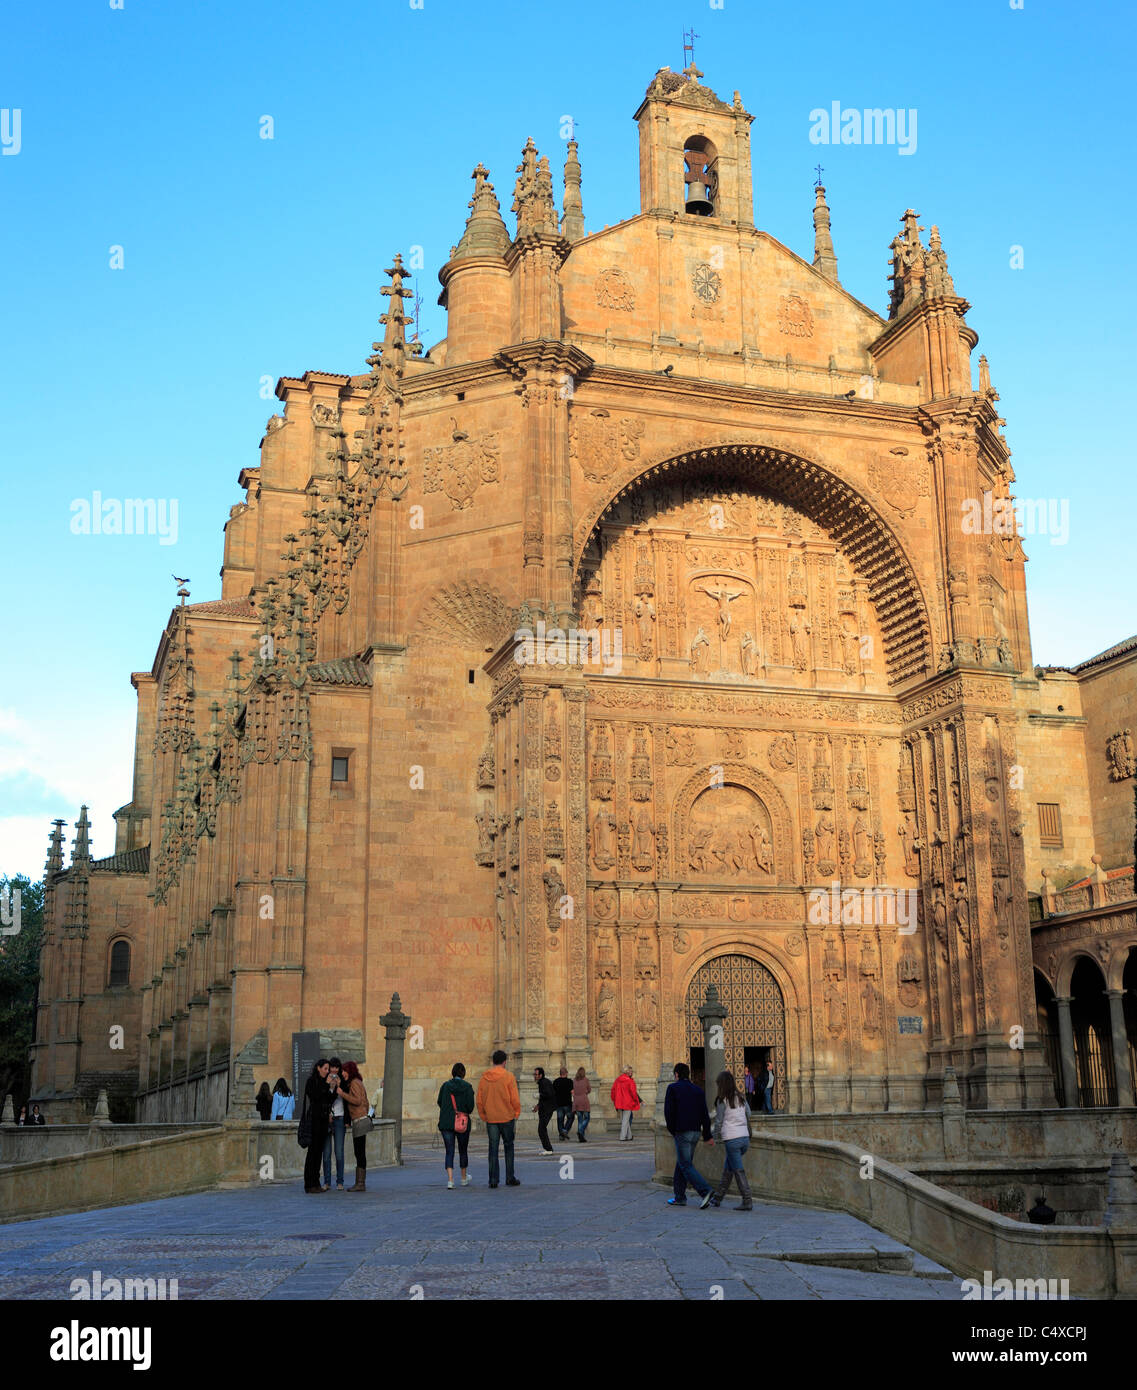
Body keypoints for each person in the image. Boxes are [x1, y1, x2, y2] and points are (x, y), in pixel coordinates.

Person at [663, 1062, 713, 1208]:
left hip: (682, 1131)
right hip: (696, 1132)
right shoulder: (698, 1090)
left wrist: (673, 1130)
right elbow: (705, 1114)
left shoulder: (673, 1088)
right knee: (682, 1163)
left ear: (677, 1074)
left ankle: (705, 1191)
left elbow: (668, 1112)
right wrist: (707, 1134)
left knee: (685, 1164)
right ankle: (679, 1196)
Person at [708, 1070, 753, 1212]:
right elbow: (749, 1114)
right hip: (744, 1139)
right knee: (729, 1169)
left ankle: (747, 1200)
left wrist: (713, 1137)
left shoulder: (722, 1101)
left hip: (732, 1140)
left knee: (738, 1171)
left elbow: (719, 1121)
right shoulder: (741, 1097)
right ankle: (717, 1198)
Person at [476, 1049, 521, 1188]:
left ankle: (493, 1179)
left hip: (491, 1119)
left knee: (493, 1149)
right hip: (507, 1117)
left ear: (493, 1061)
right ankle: (509, 1177)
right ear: (504, 1062)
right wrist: (516, 1112)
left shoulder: (484, 1078)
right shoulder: (509, 1076)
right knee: (509, 1147)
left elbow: (479, 1100)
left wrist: (484, 1115)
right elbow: (514, 1098)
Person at [437, 1062, 476, 1189]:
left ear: (453, 1073)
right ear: (463, 1073)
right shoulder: (468, 1087)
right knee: (463, 1150)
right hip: (462, 1123)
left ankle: (450, 1180)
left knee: (449, 1151)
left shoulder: (445, 1086)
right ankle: (464, 1178)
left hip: (447, 1123)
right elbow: (470, 1108)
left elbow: (440, 1102)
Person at [337, 1061, 370, 1193]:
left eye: (344, 1071)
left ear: (349, 1071)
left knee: (359, 1152)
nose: (342, 1073)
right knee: (360, 1152)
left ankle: (360, 1183)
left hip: (359, 1121)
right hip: (360, 1119)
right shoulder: (358, 1082)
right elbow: (365, 1102)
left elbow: (357, 1101)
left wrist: (342, 1093)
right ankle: (360, 1182)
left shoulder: (355, 1083)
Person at [302, 1059, 332, 1194]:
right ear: (318, 1068)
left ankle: (316, 1182)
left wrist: (334, 1087)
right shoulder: (312, 1082)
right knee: (312, 1153)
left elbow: (329, 1100)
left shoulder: (324, 1082)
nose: (327, 1071)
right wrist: (326, 1085)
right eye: (325, 1069)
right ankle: (309, 1183)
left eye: (328, 1069)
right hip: (314, 1121)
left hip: (323, 1122)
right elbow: (315, 1097)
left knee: (318, 1153)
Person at [323, 1057, 347, 1190]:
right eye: (332, 1067)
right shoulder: (324, 1081)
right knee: (326, 1153)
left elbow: (346, 1097)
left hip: (340, 1118)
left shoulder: (343, 1081)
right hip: (327, 1119)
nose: (334, 1070)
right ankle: (327, 1182)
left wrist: (339, 1086)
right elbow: (323, 1099)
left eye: (336, 1068)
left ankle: (340, 1181)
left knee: (339, 1152)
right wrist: (328, 1086)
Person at [610, 1066, 643, 1141]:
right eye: (630, 1071)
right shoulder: (630, 1081)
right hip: (627, 1103)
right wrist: (636, 1101)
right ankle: (622, 1136)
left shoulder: (617, 1080)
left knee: (625, 1120)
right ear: (627, 1072)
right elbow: (633, 1093)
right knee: (625, 1120)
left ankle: (629, 1136)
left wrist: (614, 1100)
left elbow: (613, 1091)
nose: (632, 1073)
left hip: (619, 1102)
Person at [532, 1066, 556, 1155]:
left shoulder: (544, 1082)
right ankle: (548, 1149)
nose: (534, 1076)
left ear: (541, 1075)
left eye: (536, 1074)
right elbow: (544, 1097)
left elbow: (549, 1094)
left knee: (541, 1129)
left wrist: (539, 1095)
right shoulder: (542, 1082)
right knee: (542, 1129)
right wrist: (537, 1106)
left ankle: (548, 1149)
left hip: (547, 1109)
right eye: (534, 1074)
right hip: (545, 1108)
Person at [552, 1066, 574, 1140]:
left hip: (559, 1104)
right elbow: (572, 1092)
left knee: (560, 1120)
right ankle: (565, 1130)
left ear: (560, 1073)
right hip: (567, 1103)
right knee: (571, 1118)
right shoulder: (570, 1081)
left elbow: (553, 1093)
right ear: (566, 1073)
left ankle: (561, 1135)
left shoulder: (555, 1081)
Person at [572, 1066, 591, 1142]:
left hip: (576, 1101)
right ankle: (580, 1131)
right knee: (587, 1118)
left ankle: (581, 1137)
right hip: (584, 1101)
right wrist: (585, 1092)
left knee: (580, 1119)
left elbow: (573, 1090)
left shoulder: (574, 1080)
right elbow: (589, 1089)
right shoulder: (585, 1080)